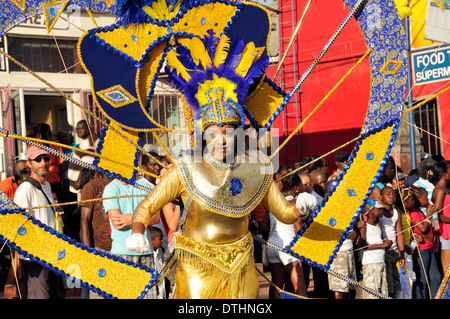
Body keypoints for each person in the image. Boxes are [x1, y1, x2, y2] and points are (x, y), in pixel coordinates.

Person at [125, 31, 316, 298]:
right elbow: (146, 207)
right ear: (204, 137)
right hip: (195, 265)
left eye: (228, 131)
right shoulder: (185, 169)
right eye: (213, 133)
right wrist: (136, 231)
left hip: (241, 264)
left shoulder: (255, 168)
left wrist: (302, 206)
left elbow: (283, 212)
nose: (222, 139)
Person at [102, 172, 161, 299]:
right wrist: (142, 218)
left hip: (146, 251)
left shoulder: (144, 186)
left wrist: (131, 218)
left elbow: (156, 217)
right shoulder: (111, 188)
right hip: (122, 253)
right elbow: (117, 222)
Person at [13, 146, 60, 299]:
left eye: (46, 159)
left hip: (52, 253)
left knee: (53, 294)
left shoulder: (47, 186)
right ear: (29, 163)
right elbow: (18, 225)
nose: (43, 163)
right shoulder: (25, 189)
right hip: (35, 257)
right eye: (38, 159)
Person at [264, 174, 309, 299]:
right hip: (288, 246)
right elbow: (298, 229)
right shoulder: (295, 202)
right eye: (301, 185)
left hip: (272, 244)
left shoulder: (274, 202)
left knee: (276, 284)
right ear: (296, 188)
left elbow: (264, 226)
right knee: (300, 286)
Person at [79, 171, 113, 298]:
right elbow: (84, 220)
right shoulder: (92, 187)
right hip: (100, 249)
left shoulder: (125, 185)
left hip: (122, 250)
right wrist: (88, 252)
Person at [0, 160, 30, 299]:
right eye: (23, 170)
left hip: (25, 232)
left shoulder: (31, 185)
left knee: (21, 268)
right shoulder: (5, 185)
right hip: (7, 232)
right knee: (15, 267)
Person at [325, 181, 357, 299]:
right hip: (338, 253)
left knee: (350, 287)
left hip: (349, 250)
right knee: (339, 288)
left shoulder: (345, 206)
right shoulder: (327, 209)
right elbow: (328, 232)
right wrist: (349, 235)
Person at [410, 186, 442, 299]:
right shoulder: (414, 212)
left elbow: (434, 227)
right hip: (422, 250)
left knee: (436, 277)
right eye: (425, 198)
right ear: (418, 199)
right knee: (422, 280)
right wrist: (428, 216)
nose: (427, 200)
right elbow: (423, 228)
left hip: (430, 247)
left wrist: (432, 216)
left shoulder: (420, 211)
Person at [357, 201, 392, 299]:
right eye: (379, 209)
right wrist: (382, 245)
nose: (382, 211)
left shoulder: (377, 226)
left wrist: (385, 252)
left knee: (383, 292)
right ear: (371, 211)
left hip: (380, 262)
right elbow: (363, 246)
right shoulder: (364, 226)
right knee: (372, 294)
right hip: (371, 264)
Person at [378, 186, 405, 298]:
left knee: (394, 284)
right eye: (388, 194)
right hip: (384, 251)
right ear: (380, 198)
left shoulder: (396, 212)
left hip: (394, 251)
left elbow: (399, 234)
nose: (391, 196)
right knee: (387, 285)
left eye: (393, 194)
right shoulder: (378, 212)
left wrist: (402, 253)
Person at [33, 123, 65, 204]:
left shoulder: (33, 146)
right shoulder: (54, 146)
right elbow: (61, 166)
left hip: (48, 180)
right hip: (48, 180)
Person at [394, 187, 416, 299]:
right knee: (400, 280)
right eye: (411, 200)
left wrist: (413, 238)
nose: (413, 202)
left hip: (408, 250)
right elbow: (397, 233)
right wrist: (404, 247)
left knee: (409, 280)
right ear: (404, 201)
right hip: (400, 250)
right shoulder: (396, 213)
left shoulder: (406, 212)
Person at [68, 120, 98, 197]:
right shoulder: (86, 140)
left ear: (89, 129)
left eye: (81, 128)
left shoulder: (90, 141)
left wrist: (79, 182)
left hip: (82, 186)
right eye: (77, 129)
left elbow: (86, 164)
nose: (78, 131)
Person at [437, 161, 450, 276]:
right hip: (445, 233)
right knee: (447, 272)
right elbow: (436, 215)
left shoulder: (445, 189)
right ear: (444, 173)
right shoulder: (440, 190)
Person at [150, 226, 166, 299]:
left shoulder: (160, 251)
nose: (162, 241)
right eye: (160, 239)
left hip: (162, 292)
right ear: (152, 241)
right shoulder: (149, 257)